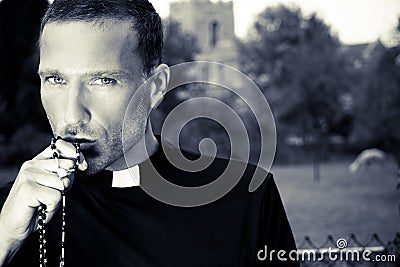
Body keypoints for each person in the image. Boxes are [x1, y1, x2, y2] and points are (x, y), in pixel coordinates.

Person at [0, 0, 298, 266]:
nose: (72, 114)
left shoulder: (246, 197)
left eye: (103, 80)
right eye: (55, 79)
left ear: (155, 87)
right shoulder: (14, 211)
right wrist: (5, 239)